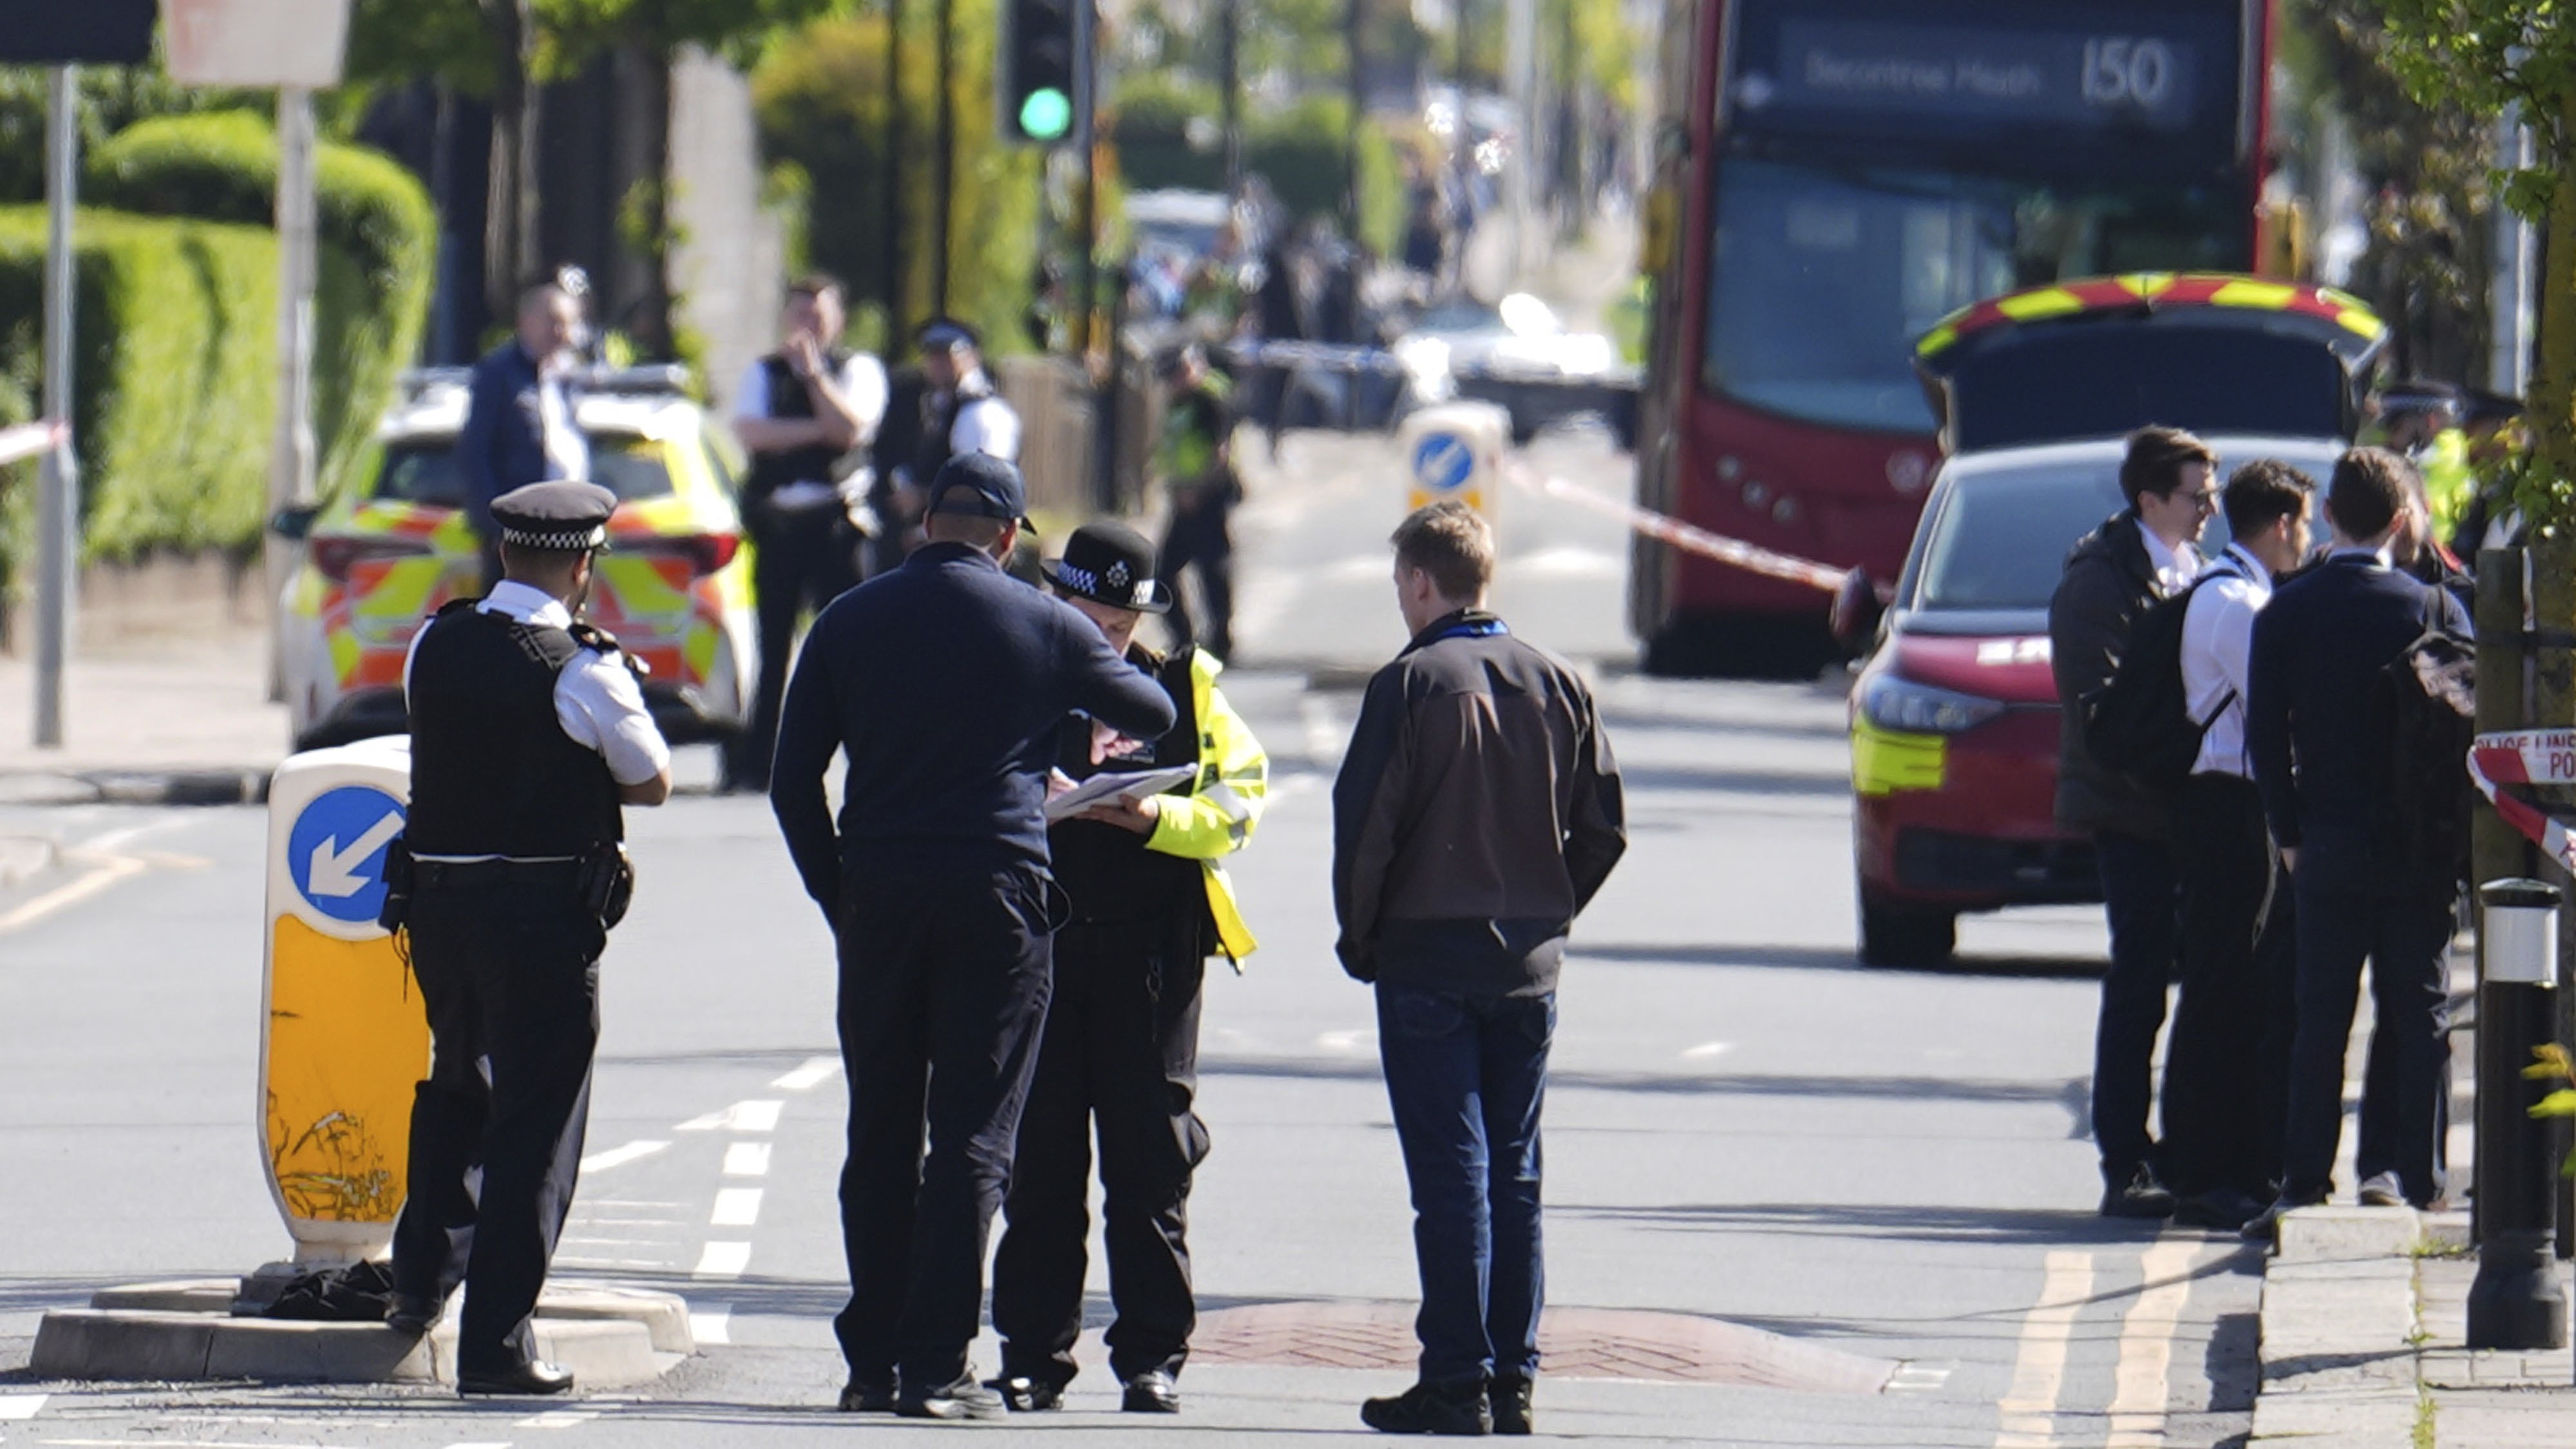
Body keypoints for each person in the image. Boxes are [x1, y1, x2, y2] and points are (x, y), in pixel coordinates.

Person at [768, 454, 1177, 1421]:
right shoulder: (1043, 625)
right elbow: (1153, 710)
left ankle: (871, 1355)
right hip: (997, 897)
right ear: (1006, 538)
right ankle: (936, 1363)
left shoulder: (849, 618)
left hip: (880, 895)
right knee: (973, 1138)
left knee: (879, 1129)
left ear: (923, 525)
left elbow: (793, 783)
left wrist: (840, 894)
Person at [1332, 501, 1625, 1437]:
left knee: (1452, 1176)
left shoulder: (1411, 683)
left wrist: (1362, 934)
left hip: (1427, 954)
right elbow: (1605, 827)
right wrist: (1549, 906)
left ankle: (1455, 1376)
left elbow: (1365, 831)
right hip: (1527, 965)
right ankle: (1513, 1377)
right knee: (1516, 1170)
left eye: (1399, 587)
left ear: (1422, 582)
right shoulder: (1559, 681)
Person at [385, 480, 674, 1396]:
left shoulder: (436, 638)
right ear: (585, 564)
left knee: (457, 1080)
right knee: (535, 1125)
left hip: (436, 912)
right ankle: (498, 1343)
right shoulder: (580, 665)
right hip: (537, 921)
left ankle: (418, 1284)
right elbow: (652, 776)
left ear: (506, 550)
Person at [987, 522, 1269, 1417]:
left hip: (1155, 953)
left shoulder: (1186, 686)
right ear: (1056, 600)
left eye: (1119, 624)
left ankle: (1153, 1355)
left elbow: (1238, 803)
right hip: (1044, 946)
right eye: (1088, 618)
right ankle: (1033, 1353)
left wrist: (1151, 818)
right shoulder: (1018, 678)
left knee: (1151, 1164)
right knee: (1041, 1162)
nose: (1102, 638)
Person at [2242, 448, 2471, 1239]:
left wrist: (2289, 833)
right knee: (2420, 1015)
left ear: (2330, 517)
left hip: (2327, 841)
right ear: (2401, 521)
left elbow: (2264, 735)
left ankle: (2304, 1180)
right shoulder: (2432, 612)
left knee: (2320, 1019)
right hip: (2419, 846)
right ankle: (2420, 1179)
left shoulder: (2284, 613)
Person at [2047, 425, 2217, 1219]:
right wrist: (2180, 759)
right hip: (2131, 808)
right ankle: (2124, 1157)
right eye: (2195, 494)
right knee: (2139, 978)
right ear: (2150, 499)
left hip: (2185, 806)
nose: (2208, 507)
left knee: (2198, 980)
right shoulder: (2101, 579)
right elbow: (2101, 716)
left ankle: (2183, 1149)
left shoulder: (2190, 567)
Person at [2157, 460, 2314, 1231]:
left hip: (2227, 803)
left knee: (2232, 984)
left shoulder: (2232, 591)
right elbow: (2276, 712)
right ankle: (2204, 1168)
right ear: (2280, 524)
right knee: (2223, 988)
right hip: (2224, 805)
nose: (2307, 540)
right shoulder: (2239, 603)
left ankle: (2215, 1162)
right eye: (2304, 525)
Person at [728, 275, 890, 790]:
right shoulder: (763, 372)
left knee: (849, 647)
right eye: (800, 315)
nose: (808, 326)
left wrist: (816, 378)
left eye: (818, 316)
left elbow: (852, 429)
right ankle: (760, 761)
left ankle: (868, 758)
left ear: (837, 320)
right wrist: (818, 430)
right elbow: (751, 433)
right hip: (779, 526)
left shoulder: (857, 369)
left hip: (837, 525)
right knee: (771, 645)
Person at [459, 283, 589, 587]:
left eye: (568, 324)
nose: (562, 332)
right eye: (554, 322)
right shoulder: (499, 375)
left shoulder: (566, 378)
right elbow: (475, 453)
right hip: (517, 539)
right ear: (526, 322)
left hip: (564, 534)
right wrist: (497, 528)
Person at [872, 319, 1021, 576]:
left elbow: (983, 487)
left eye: (947, 354)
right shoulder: (928, 402)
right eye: (931, 354)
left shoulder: (982, 413)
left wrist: (922, 500)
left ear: (972, 357)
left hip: (964, 549)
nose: (937, 363)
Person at [1153, 346, 1240, 661]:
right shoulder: (1180, 402)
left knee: (1212, 570)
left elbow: (1220, 452)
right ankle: (1184, 639)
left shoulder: (1209, 399)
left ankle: (1220, 641)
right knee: (1163, 572)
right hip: (1184, 497)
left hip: (1207, 497)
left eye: (1178, 373)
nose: (1173, 382)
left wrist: (1197, 489)